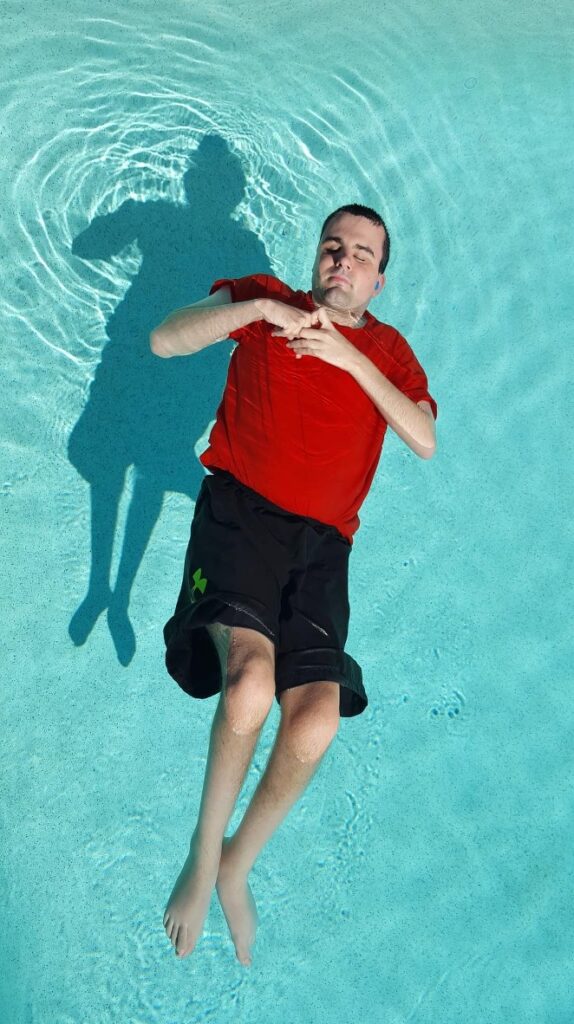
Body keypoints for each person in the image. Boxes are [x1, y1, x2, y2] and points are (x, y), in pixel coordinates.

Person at [150, 203, 438, 967]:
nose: (342, 260)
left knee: (316, 722)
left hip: (320, 552)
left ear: (378, 280)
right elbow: (163, 339)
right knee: (248, 687)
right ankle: (204, 852)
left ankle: (240, 861)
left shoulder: (392, 355)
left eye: (360, 254)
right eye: (332, 247)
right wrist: (264, 310)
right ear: (317, 259)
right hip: (241, 514)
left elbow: (424, 437)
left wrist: (350, 359)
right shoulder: (263, 299)